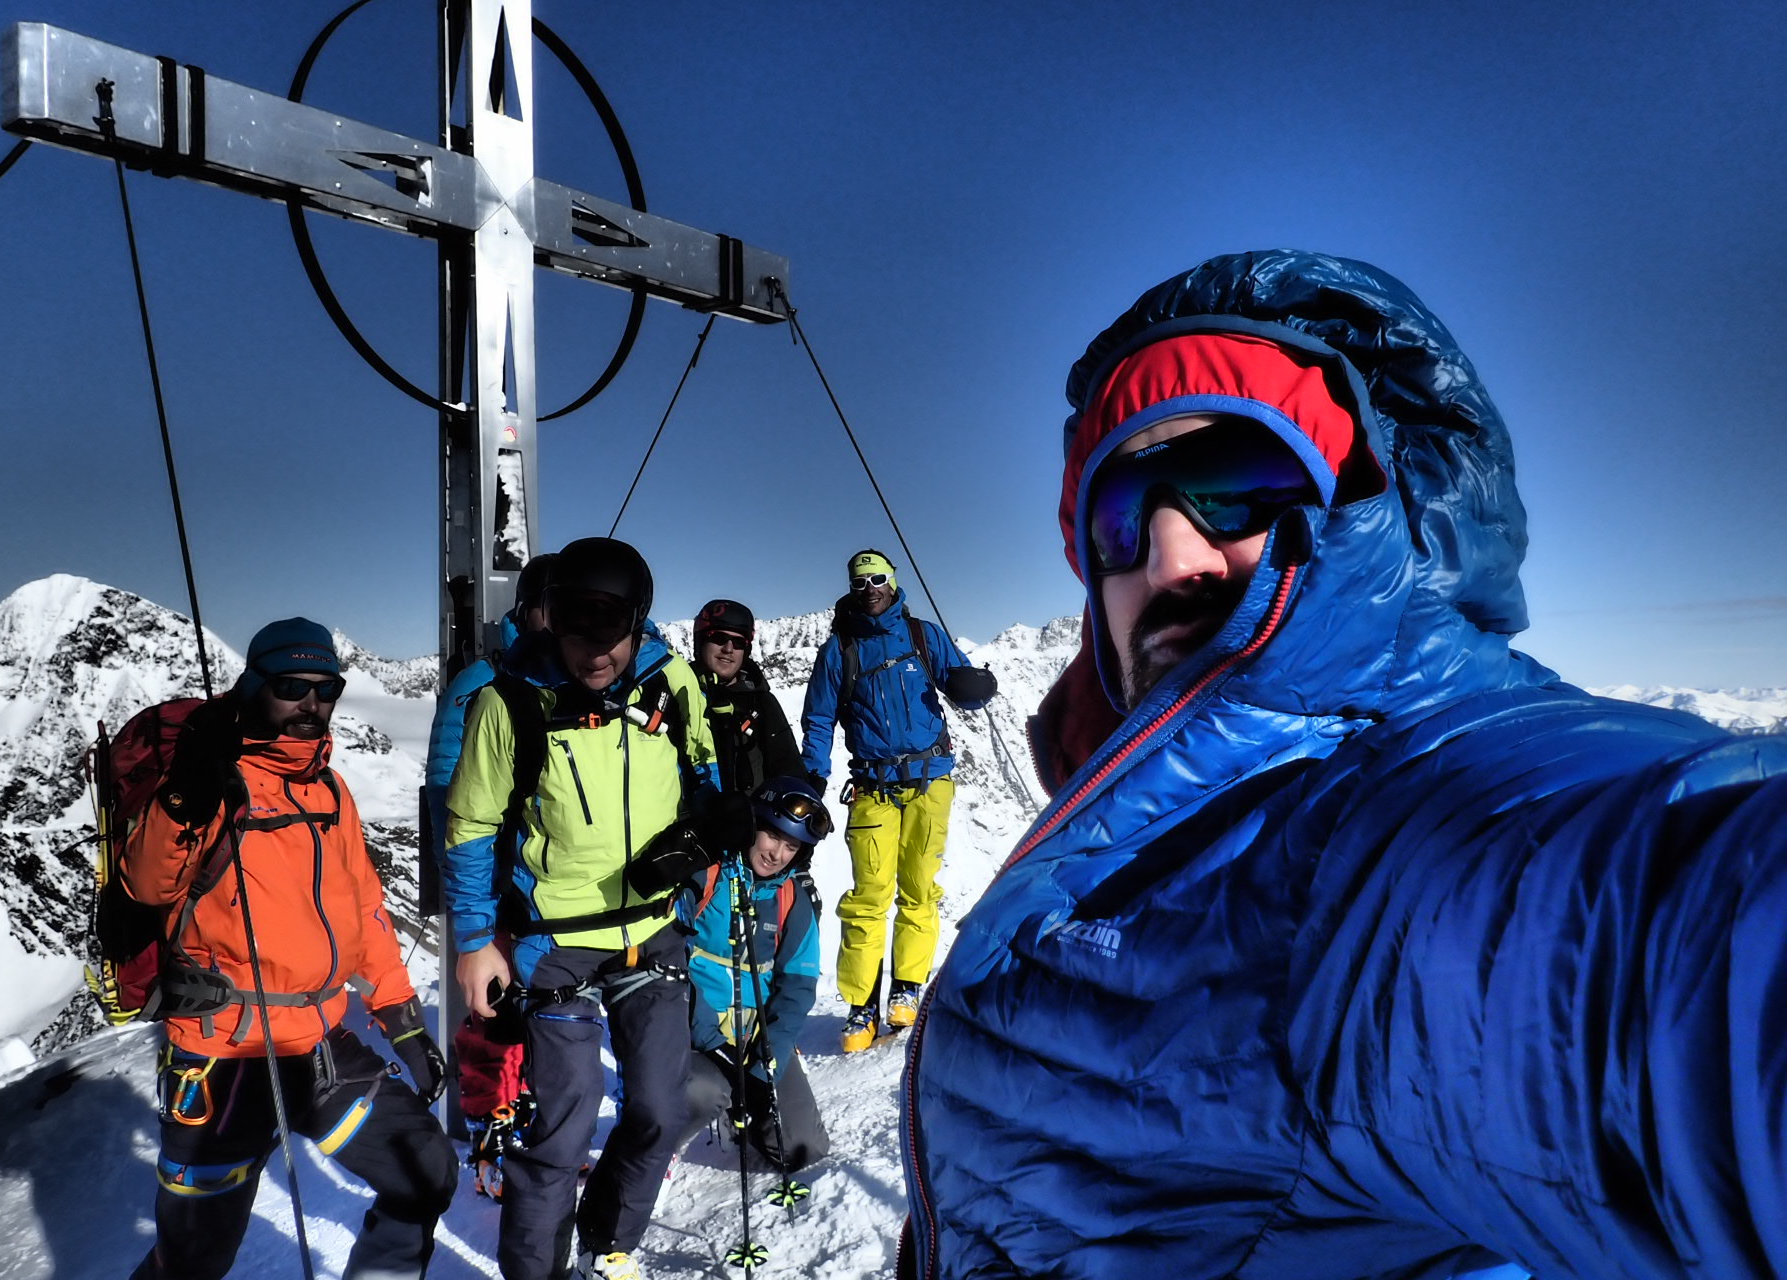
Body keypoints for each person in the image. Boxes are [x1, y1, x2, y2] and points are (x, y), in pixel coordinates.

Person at [901, 250, 1787, 1280]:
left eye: (1239, 483)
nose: (1173, 556)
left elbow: (1646, 952)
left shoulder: (1377, 834)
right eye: (1124, 512)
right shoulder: (1149, 810)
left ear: (1366, 504)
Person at [443, 537, 746, 1280]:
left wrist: (706, 841)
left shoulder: (671, 684)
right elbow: (472, 827)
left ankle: (610, 1244)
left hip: (651, 934)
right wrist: (477, 939)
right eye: (577, 631)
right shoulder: (508, 702)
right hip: (556, 948)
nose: (594, 653)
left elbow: (704, 778)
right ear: (552, 622)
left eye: (610, 634)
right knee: (563, 1127)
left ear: (638, 624)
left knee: (659, 1107)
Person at [123, 618, 456, 1280]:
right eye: (289, 686)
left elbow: (362, 911)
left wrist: (401, 1016)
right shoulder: (211, 781)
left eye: (324, 689)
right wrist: (189, 790)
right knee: (193, 1257)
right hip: (223, 1057)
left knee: (426, 1171)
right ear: (254, 686)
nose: (310, 703)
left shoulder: (330, 791)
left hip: (322, 1045)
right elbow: (146, 882)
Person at [798, 550, 996, 1053]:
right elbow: (819, 720)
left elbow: (960, 685)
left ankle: (906, 986)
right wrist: (812, 778)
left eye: (877, 577)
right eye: (860, 580)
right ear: (851, 586)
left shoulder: (924, 636)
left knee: (918, 888)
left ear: (893, 580)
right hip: (872, 786)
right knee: (868, 895)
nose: (869, 587)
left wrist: (976, 688)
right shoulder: (838, 650)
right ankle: (861, 1003)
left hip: (931, 781)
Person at [423, 551, 556, 1199]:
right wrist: (469, 885)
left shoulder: (562, 681)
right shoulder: (482, 681)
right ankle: (489, 1126)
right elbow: (450, 790)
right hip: (498, 881)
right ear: (524, 609)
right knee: (492, 1015)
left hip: (546, 884)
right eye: (544, 606)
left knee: (540, 1005)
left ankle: (526, 1106)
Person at [673, 775, 833, 1174]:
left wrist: (766, 1065)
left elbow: (796, 989)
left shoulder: (793, 899)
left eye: (791, 845)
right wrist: (713, 1042)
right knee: (699, 1092)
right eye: (772, 836)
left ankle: (742, 1116)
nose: (777, 853)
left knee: (802, 1148)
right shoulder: (705, 876)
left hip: (754, 1040)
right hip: (696, 1038)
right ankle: (659, 1149)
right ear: (753, 825)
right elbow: (670, 967)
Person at [689, 598, 803, 794]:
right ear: (701, 641)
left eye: (739, 642)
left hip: (753, 820)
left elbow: (790, 773)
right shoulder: (677, 694)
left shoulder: (761, 704)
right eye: (718, 637)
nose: (729, 648)